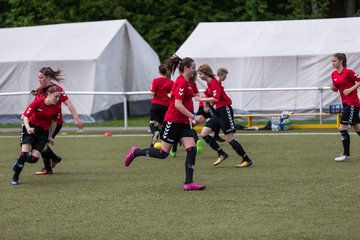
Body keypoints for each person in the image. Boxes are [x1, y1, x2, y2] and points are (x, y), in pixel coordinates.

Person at [124, 55, 206, 191]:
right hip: (173, 121)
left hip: (183, 123)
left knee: (192, 150)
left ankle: (189, 183)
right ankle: (136, 152)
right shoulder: (180, 82)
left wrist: (200, 99)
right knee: (163, 153)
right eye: (193, 68)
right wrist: (194, 117)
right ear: (186, 68)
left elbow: (187, 98)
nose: (194, 70)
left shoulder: (187, 83)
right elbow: (178, 105)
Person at [197, 65, 253, 167]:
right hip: (218, 112)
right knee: (204, 133)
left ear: (205, 73)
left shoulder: (214, 82)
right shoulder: (209, 83)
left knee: (230, 139)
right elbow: (206, 94)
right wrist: (205, 105)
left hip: (225, 110)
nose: (199, 76)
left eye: (200, 74)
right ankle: (221, 154)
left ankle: (246, 159)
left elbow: (216, 98)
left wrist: (202, 101)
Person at [31, 67, 84, 175]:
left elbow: (68, 103)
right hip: (41, 123)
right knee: (41, 144)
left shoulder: (57, 90)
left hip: (54, 123)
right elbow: (35, 106)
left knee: (42, 144)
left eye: (41, 77)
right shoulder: (40, 89)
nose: (39, 80)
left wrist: (76, 118)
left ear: (49, 78)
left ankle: (49, 167)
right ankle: (54, 160)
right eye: (38, 77)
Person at [11, 86, 62, 185]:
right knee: (25, 154)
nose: (58, 99)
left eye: (59, 97)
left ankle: (19, 161)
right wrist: (28, 128)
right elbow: (26, 116)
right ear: (49, 94)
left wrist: (50, 136)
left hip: (43, 132)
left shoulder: (57, 107)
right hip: (31, 128)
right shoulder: (38, 102)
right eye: (56, 96)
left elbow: (53, 123)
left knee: (33, 159)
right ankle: (15, 178)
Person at [330, 53, 360, 161]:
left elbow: (359, 81)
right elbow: (336, 89)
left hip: (353, 103)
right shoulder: (333, 74)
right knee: (357, 127)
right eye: (332, 61)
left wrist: (351, 89)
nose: (332, 63)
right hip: (345, 103)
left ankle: (345, 154)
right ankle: (346, 154)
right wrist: (332, 87)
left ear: (341, 61)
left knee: (342, 127)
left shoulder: (349, 72)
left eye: (334, 61)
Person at [170, 71, 202, 157]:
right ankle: (196, 139)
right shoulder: (192, 83)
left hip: (182, 109)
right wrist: (196, 97)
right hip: (189, 107)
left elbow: (177, 100)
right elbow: (197, 95)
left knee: (177, 130)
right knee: (189, 126)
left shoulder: (182, 82)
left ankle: (174, 150)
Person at [149, 64, 174, 147]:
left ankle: (155, 132)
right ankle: (162, 143)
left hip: (155, 104)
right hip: (166, 106)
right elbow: (171, 94)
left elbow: (152, 93)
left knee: (152, 122)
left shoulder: (156, 80)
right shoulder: (171, 82)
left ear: (159, 71)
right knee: (161, 124)